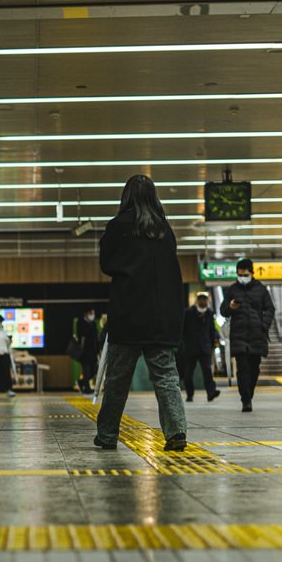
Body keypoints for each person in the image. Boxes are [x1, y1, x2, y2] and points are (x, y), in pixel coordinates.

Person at [93, 175, 188, 452]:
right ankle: (176, 431)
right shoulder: (164, 230)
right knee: (166, 377)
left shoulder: (118, 226)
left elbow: (107, 265)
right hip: (162, 317)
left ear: (127, 196)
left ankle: (108, 435)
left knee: (117, 379)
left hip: (129, 314)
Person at [220, 258, 275, 413]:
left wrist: (263, 325)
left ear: (252, 273)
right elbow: (223, 310)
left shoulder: (261, 290)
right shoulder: (232, 289)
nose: (242, 277)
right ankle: (246, 399)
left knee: (254, 368)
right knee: (242, 368)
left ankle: (249, 394)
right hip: (239, 334)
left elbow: (270, 309)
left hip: (257, 335)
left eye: (245, 274)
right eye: (239, 275)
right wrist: (230, 307)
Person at [178, 292, 221, 404]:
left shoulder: (210, 313)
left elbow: (212, 330)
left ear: (207, 301)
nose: (203, 301)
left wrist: (214, 341)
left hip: (205, 347)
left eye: (205, 299)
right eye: (201, 299)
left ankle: (211, 393)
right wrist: (183, 343)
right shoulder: (188, 312)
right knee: (188, 373)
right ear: (197, 301)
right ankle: (190, 394)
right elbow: (182, 329)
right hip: (190, 348)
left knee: (207, 371)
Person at [73, 307, 101, 393]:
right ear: (86, 313)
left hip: (93, 352)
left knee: (94, 370)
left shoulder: (93, 323)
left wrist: (98, 349)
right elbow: (80, 335)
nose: (92, 315)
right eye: (91, 313)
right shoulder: (80, 322)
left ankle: (81, 383)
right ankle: (87, 388)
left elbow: (96, 337)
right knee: (86, 371)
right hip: (84, 352)